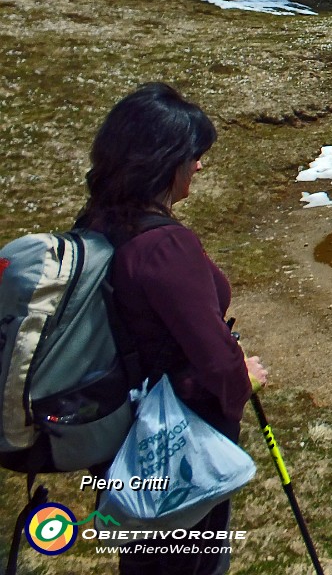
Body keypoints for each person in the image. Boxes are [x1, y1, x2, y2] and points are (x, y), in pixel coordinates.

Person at [76, 82, 267, 575]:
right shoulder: (164, 246)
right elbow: (214, 361)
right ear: (163, 161)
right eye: (193, 155)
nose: (200, 166)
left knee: (144, 558)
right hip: (180, 442)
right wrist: (244, 374)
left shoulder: (95, 223)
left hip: (124, 431)